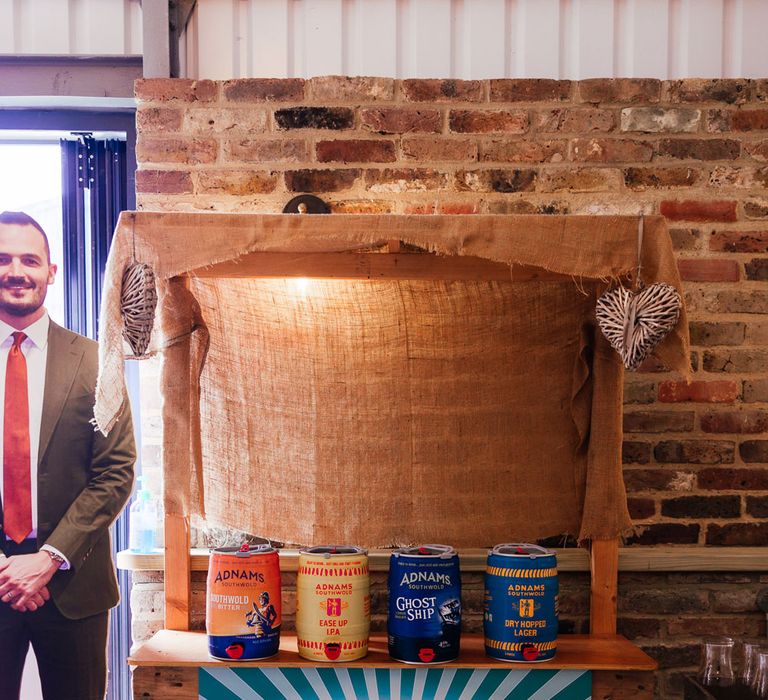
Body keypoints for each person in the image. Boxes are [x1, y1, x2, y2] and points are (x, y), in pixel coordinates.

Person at [0, 211, 136, 700]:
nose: (16, 271)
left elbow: (115, 473)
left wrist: (47, 559)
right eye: (3, 259)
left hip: (72, 584)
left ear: (51, 271)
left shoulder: (97, 362)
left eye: (29, 260)